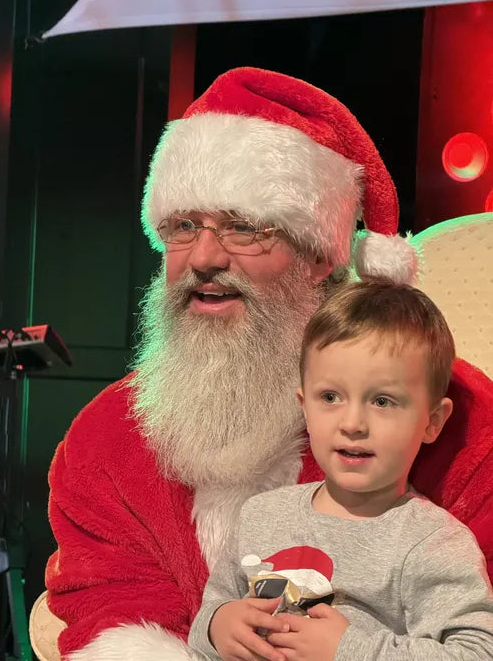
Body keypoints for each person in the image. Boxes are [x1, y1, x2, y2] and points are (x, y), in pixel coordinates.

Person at [42, 67, 493, 661]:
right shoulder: (104, 440)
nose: (204, 257)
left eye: (244, 227)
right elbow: (112, 602)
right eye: (183, 227)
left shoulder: (454, 416)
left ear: (319, 257)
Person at [188, 280, 493, 661]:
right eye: (330, 397)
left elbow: (477, 653)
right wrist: (218, 626)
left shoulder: (431, 541)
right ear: (304, 406)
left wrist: (348, 650)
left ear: (432, 422)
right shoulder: (261, 515)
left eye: (382, 401)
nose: (352, 423)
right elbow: (205, 619)